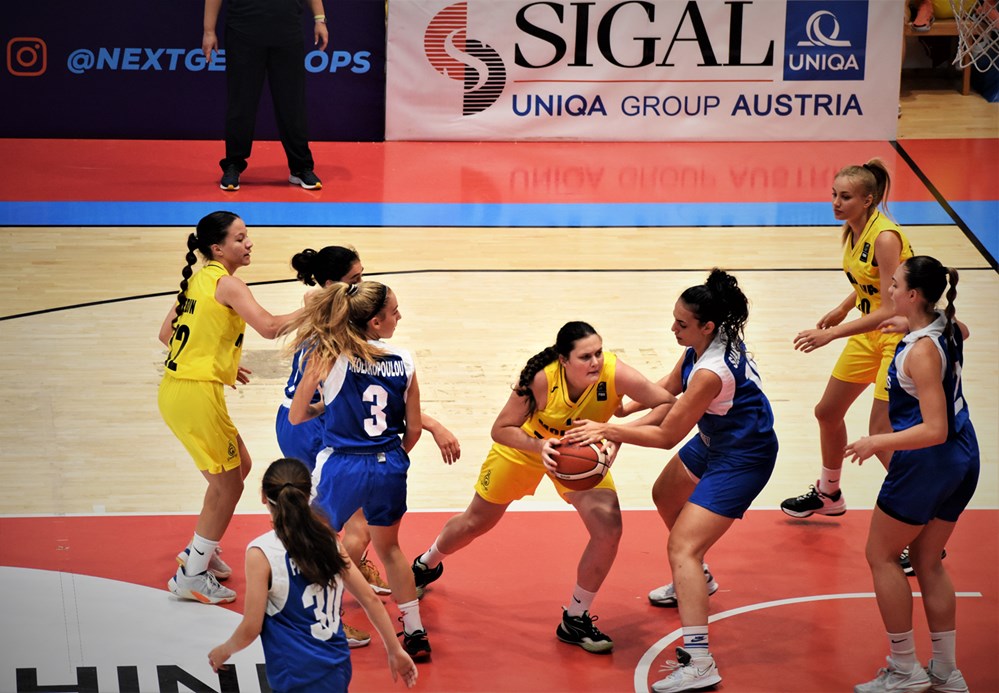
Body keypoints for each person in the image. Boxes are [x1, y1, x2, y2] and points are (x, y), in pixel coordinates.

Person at [565, 270, 778, 692]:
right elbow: (672, 386)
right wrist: (627, 408)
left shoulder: (712, 371)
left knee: (683, 547)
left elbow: (666, 435)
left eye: (681, 323)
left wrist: (608, 431)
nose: (673, 328)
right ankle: (700, 579)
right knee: (665, 493)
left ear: (707, 326)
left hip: (743, 457)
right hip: (718, 439)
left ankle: (700, 662)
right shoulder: (709, 343)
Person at [411, 321, 674, 655]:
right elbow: (501, 428)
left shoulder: (614, 373)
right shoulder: (541, 379)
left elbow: (668, 403)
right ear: (564, 360)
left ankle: (575, 618)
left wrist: (617, 433)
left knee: (609, 529)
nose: (595, 361)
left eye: (598, 352)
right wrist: (540, 447)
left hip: (579, 456)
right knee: (475, 522)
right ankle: (426, 564)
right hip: (526, 449)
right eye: (585, 357)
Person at [277, 246, 461, 647]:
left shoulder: (330, 352)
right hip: (388, 462)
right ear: (375, 321)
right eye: (395, 312)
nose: (400, 317)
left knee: (319, 540)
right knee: (389, 548)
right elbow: (413, 427)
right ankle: (414, 629)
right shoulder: (404, 360)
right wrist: (394, 457)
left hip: (343, 460)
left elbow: (297, 414)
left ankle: (323, 615)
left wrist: (326, 406)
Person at [846, 256, 978, 693]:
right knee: (927, 560)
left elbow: (933, 429)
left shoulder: (920, 352)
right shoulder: (946, 324)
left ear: (913, 295)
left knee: (881, 555)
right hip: (964, 455)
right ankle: (946, 671)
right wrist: (910, 324)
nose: (889, 290)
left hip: (929, 461)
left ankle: (904, 669)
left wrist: (876, 441)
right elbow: (962, 332)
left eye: (895, 285)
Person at [158, 211, 302, 604]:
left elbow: (167, 334)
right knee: (229, 485)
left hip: (178, 391)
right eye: (239, 239)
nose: (248, 243)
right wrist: (315, 309)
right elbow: (269, 327)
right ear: (218, 248)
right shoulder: (228, 283)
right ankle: (191, 576)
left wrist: (218, 360)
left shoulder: (197, 279)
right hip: (195, 395)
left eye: (247, 236)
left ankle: (198, 550)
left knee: (240, 467)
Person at [208, 458, 418, 692]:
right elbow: (370, 599)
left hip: (295, 673)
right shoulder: (329, 540)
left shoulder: (261, 552)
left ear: (264, 497)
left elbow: (251, 627)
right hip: (337, 666)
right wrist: (394, 649)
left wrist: (224, 650)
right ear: (308, 495)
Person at [781, 158, 913, 519]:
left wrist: (833, 334)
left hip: (898, 337)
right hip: (869, 334)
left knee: (880, 432)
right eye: (834, 195)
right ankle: (829, 493)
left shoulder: (885, 237)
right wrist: (843, 307)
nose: (836, 203)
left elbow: (891, 307)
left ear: (868, 200)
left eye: (846, 197)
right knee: (827, 412)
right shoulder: (854, 231)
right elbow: (873, 282)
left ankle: (919, 513)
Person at [202, 0, 327, 191]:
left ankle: (301, 167)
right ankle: (233, 164)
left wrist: (320, 19)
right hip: (243, 32)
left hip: (287, 32)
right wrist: (209, 30)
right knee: (241, 103)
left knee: (292, 104)